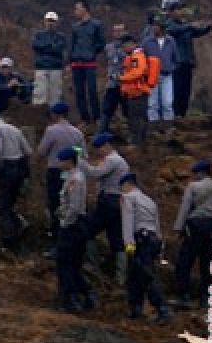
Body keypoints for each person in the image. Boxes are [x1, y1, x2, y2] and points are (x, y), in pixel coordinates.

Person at [173, 160, 212, 308]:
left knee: (184, 262)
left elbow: (185, 208)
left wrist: (178, 227)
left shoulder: (193, 187)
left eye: (196, 173)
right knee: (207, 264)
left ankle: (184, 296)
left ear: (201, 173)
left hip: (194, 228)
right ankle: (205, 298)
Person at [121, 173, 171, 323]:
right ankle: (136, 308)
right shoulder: (149, 200)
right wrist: (160, 245)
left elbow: (127, 222)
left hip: (140, 240)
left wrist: (129, 246)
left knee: (145, 275)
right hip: (153, 239)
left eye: (122, 187)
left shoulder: (128, 198)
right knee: (136, 275)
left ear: (127, 185)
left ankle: (162, 308)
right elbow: (156, 224)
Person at [83, 133, 130, 286]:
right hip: (117, 202)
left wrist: (81, 162)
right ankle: (120, 278)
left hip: (109, 202)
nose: (98, 151)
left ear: (108, 145)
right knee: (116, 239)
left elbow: (94, 174)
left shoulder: (113, 160)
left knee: (88, 231)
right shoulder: (117, 160)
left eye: (99, 148)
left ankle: (93, 265)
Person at [36, 103, 86, 243]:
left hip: (55, 171)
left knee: (55, 205)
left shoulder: (52, 130)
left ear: (55, 115)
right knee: (70, 204)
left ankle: (57, 238)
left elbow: (41, 151)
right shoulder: (77, 133)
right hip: (72, 172)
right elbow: (81, 154)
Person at [0, 108, 32, 251]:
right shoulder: (15, 129)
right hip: (19, 169)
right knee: (9, 202)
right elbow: (28, 151)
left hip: (6, 169)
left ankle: (10, 241)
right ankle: (20, 223)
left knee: (2, 206)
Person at [55, 146, 95, 312]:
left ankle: (70, 300)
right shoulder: (73, 176)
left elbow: (75, 207)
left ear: (69, 161)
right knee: (72, 265)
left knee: (65, 263)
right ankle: (86, 295)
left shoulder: (75, 180)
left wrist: (65, 223)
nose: (59, 164)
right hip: (74, 225)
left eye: (61, 161)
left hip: (73, 227)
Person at [165, 0, 212, 118]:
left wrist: (209, 27)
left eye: (180, 9)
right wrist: (189, 26)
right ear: (170, 12)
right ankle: (175, 114)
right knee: (177, 89)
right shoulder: (169, 24)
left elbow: (197, 32)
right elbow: (173, 30)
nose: (180, 12)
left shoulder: (184, 25)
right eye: (177, 9)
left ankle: (182, 114)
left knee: (186, 90)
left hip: (187, 62)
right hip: (177, 63)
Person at [68, 0, 106, 124]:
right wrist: (71, 58)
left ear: (85, 9)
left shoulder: (96, 25)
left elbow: (101, 42)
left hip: (89, 63)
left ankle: (97, 117)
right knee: (79, 92)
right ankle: (85, 118)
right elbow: (72, 44)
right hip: (76, 63)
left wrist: (92, 52)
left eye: (77, 9)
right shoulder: (75, 27)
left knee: (92, 90)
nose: (75, 11)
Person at [142, 19, 179, 125]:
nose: (154, 28)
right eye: (153, 25)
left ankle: (168, 126)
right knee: (152, 104)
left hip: (167, 75)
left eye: (156, 25)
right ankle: (154, 126)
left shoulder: (171, 41)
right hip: (151, 77)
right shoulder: (146, 41)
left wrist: (171, 67)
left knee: (167, 103)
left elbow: (176, 58)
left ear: (162, 27)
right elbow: (142, 58)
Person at [118, 35, 152, 145]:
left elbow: (137, 73)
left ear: (131, 44)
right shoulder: (133, 56)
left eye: (124, 46)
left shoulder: (137, 56)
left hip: (138, 92)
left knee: (136, 118)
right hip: (135, 92)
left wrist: (121, 78)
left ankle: (137, 142)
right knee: (139, 117)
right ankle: (141, 141)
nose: (123, 49)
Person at [31, 11, 66, 108]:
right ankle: (39, 116)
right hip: (41, 67)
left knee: (55, 95)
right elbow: (35, 45)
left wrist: (44, 47)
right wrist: (50, 46)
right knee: (39, 93)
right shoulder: (38, 35)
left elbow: (59, 48)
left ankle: (54, 117)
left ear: (56, 22)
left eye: (53, 21)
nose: (50, 23)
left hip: (56, 67)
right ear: (44, 21)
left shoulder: (61, 36)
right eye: (48, 21)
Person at [99, 24, 128, 133]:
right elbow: (106, 63)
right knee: (107, 109)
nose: (118, 33)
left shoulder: (130, 47)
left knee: (127, 110)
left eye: (121, 30)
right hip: (112, 84)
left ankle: (130, 134)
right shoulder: (108, 47)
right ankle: (101, 133)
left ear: (125, 31)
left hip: (126, 84)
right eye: (116, 31)